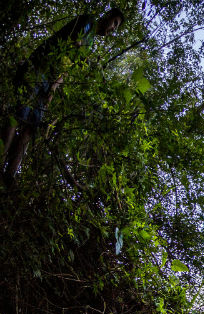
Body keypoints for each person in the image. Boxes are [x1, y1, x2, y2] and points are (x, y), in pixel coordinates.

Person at [2, 7, 125, 183]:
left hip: (49, 81)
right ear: (107, 16)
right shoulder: (88, 21)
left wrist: (54, 87)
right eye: (114, 23)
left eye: (117, 27)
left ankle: (10, 175)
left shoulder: (90, 44)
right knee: (19, 113)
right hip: (40, 67)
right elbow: (73, 43)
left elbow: (69, 68)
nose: (113, 29)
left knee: (33, 125)